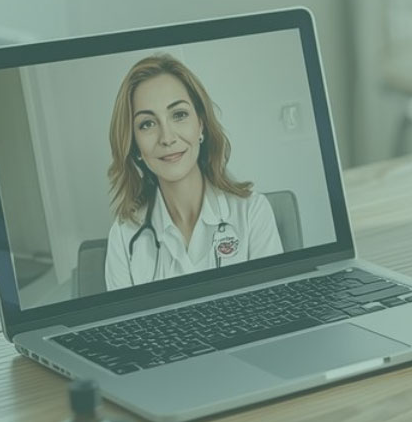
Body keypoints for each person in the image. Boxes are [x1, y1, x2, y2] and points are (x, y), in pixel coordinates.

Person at [104, 54, 282, 292]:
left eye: (179, 115)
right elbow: (124, 328)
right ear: (134, 146)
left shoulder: (252, 213)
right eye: (147, 123)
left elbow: (271, 311)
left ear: (201, 125)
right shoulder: (124, 236)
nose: (167, 138)